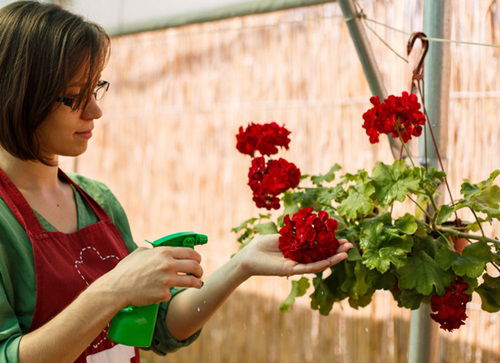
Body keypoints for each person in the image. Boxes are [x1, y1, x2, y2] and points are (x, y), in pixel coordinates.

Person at [0, 1, 353, 362]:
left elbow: (158, 327)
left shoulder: (97, 200)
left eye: (96, 90)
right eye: (73, 97)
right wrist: (113, 290)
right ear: (19, 93)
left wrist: (241, 265)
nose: (95, 110)